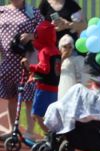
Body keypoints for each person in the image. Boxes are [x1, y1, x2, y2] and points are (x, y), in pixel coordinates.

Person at [0, 0, 41, 137]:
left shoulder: (33, 12)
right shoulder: (2, 11)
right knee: (11, 96)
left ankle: (30, 131)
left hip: (27, 60)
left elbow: (44, 33)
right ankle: (12, 130)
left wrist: (32, 36)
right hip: (7, 60)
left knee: (29, 97)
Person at [20, 20, 60, 135]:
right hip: (53, 88)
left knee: (37, 115)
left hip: (44, 89)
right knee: (49, 115)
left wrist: (29, 66)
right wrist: (35, 76)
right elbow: (51, 71)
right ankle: (55, 135)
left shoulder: (44, 51)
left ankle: (52, 137)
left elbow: (44, 69)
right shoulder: (55, 50)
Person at [57, 34, 85, 99]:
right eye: (65, 47)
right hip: (60, 89)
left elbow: (80, 77)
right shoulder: (56, 60)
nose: (67, 49)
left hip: (73, 90)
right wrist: (62, 58)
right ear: (60, 48)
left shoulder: (77, 59)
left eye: (70, 47)